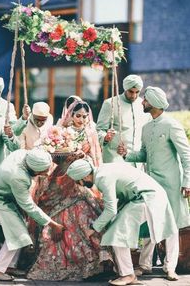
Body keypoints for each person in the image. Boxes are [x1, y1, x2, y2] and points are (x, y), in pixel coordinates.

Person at [27, 101, 112, 281]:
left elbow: (96, 158)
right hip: (63, 177)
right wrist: (66, 159)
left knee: (86, 213)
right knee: (56, 211)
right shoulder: (62, 131)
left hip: (82, 179)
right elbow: (53, 157)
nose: (81, 120)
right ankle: (60, 260)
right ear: (71, 115)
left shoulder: (91, 133)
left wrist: (83, 158)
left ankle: (94, 262)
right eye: (78, 115)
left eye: (84, 116)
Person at [66, 159, 178, 286]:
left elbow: (111, 210)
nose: (80, 185)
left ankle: (128, 275)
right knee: (118, 229)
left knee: (116, 233)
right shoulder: (103, 170)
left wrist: (93, 228)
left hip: (147, 198)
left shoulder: (103, 177)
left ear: (85, 175)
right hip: (150, 196)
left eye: (78, 181)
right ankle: (130, 271)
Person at [118, 86, 190, 281]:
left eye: (145, 100)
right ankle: (145, 265)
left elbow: (186, 155)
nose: (141, 102)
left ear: (154, 103)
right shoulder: (146, 127)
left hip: (172, 184)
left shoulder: (171, 125)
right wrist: (127, 154)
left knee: (172, 226)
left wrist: (187, 181)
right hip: (151, 183)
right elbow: (143, 154)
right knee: (149, 221)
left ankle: (170, 267)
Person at [0, 148, 64, 281]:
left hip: (0, 197)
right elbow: (28, 206)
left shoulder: (23, 154)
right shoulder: (18, 177)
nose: (46, 173)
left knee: (19, 230)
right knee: (18, 235)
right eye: (43, 171)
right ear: (33, 169)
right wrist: (53, 224)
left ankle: (8, 266)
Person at [96, 74, 149, 164]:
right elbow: (99, 130)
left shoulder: (143, 104)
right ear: (125, 89)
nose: (134, 96)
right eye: (131, 92)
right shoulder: (110, 103)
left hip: (137, 160)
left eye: (137, 92)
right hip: (115, 158)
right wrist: (105, 137)